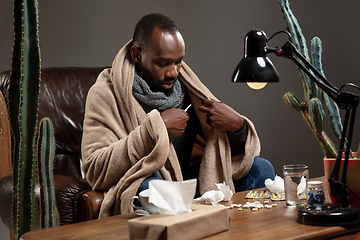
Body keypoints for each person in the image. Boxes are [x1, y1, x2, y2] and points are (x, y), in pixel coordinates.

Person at [81, 13, 275, 218]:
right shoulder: (106, 93)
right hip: (149, 181)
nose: (173, 72)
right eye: (163, 63)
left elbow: (222, 150)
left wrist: (237, 127)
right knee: (151, 188)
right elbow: (95, 169)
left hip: (190, 181)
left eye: (178, 62)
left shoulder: (187, 86)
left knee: (261, 168)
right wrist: (157, 128)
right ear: (136, 54)